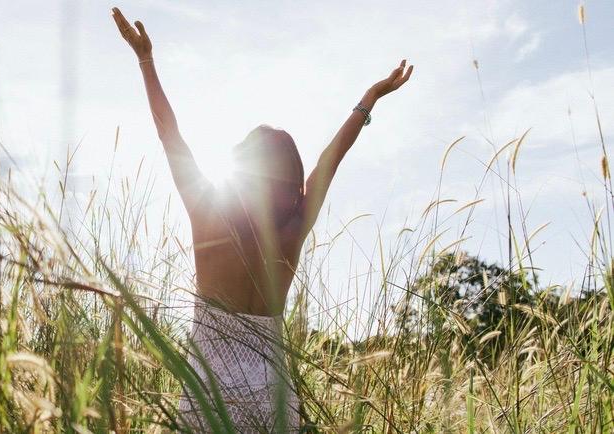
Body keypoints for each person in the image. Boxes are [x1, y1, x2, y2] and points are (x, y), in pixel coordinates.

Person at [111, 6, 413, 433]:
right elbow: (332, 157)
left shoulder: (208, 217)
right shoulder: (293, 229)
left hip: (207, 394)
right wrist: (370, 98)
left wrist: (145, 60)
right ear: (291, 177)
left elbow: (169, 134)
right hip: (273, 397)